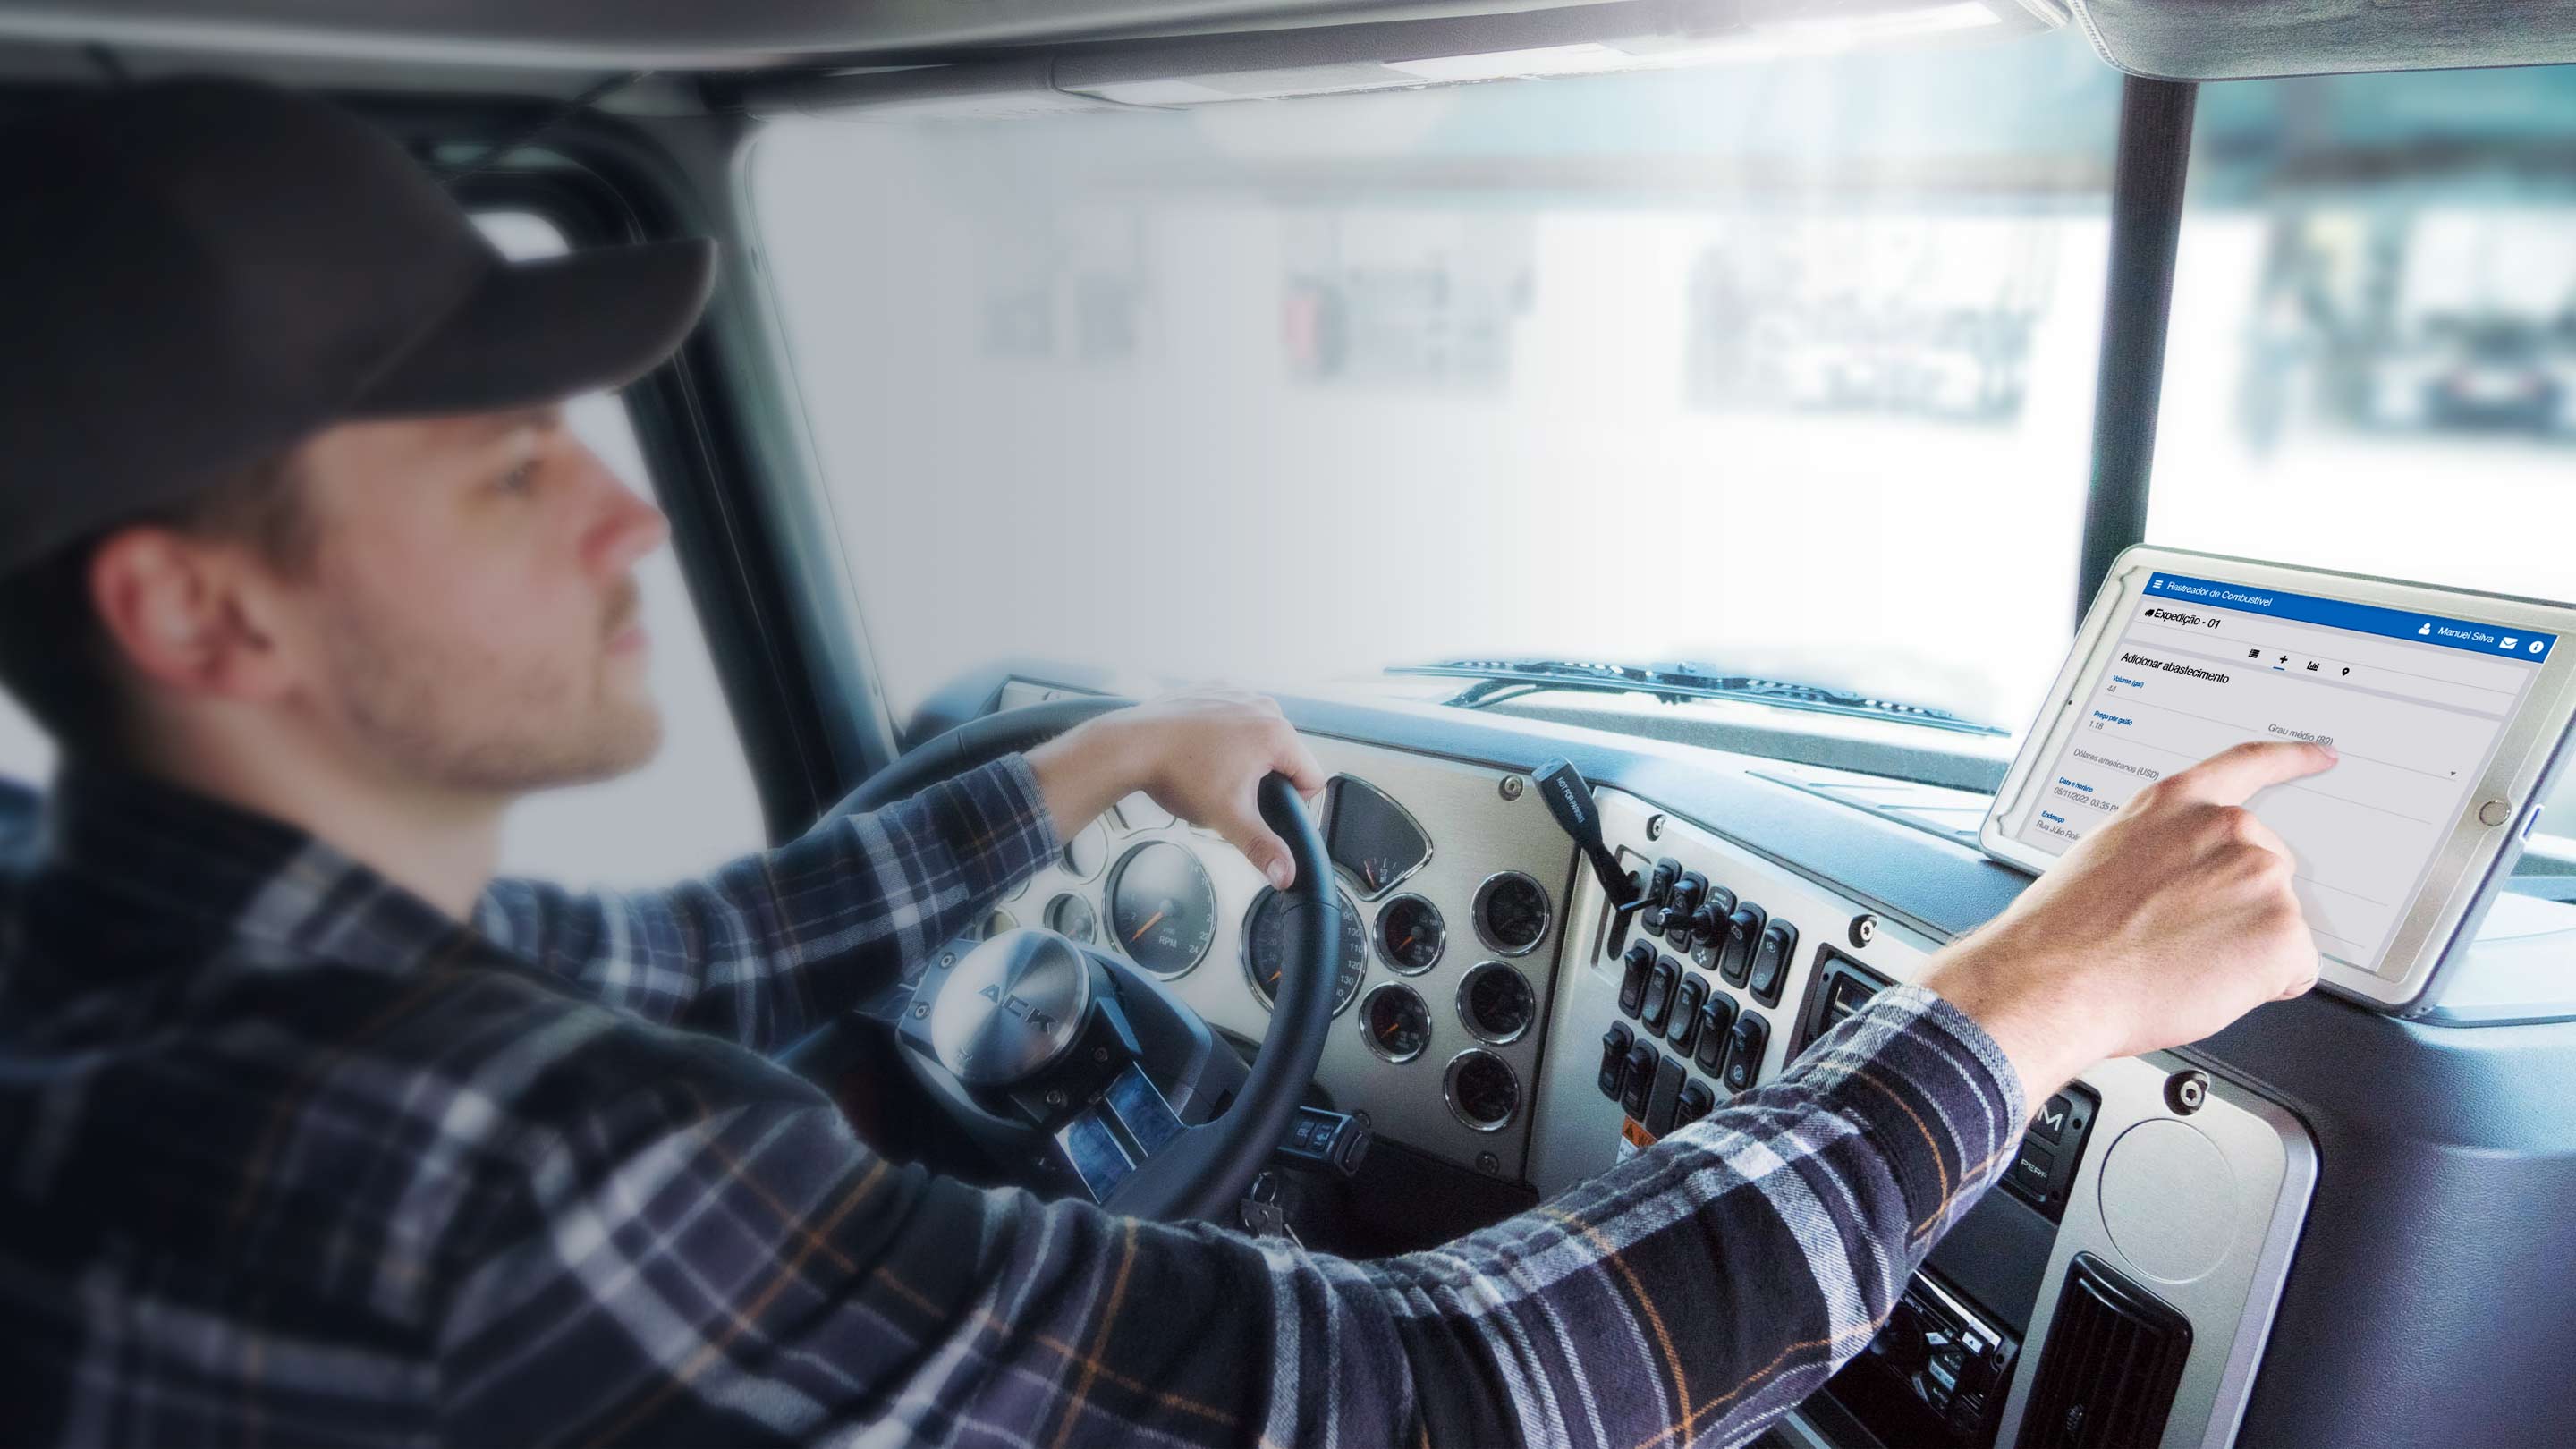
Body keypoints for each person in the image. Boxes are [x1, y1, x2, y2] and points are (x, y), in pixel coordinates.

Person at [0, 80, 2331, 1447]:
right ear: (202, 612)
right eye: (509, 469)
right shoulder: (496, 1151)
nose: (622, 511)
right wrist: (2022, 1008)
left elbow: (687, 948)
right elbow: (1425, 1399)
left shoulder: (123, 946)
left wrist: (1086, 761)